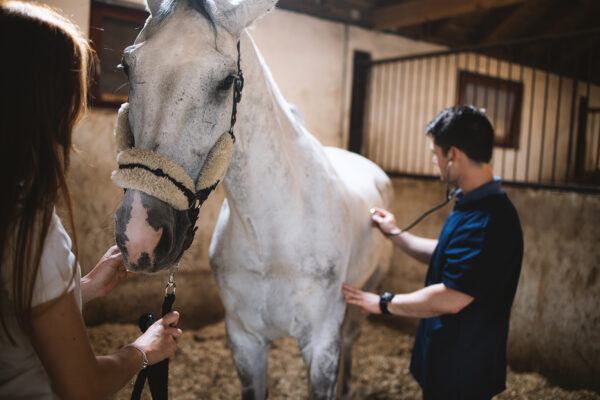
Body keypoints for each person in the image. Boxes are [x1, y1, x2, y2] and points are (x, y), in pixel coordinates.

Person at [0, 2, 182, 399]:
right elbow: (81, 386)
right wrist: (144, 349)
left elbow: (13, 315)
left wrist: (85, 287)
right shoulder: (28, 226)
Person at [342, 106, 523, 400]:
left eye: (434, 153)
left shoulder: (488, 221)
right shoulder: (471, 203)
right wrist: (395, 234)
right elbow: (446, 254)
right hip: (447, 357)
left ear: (453, 155)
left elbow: (451, 297)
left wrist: (383, 303)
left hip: (464, 370)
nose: (433, 161)